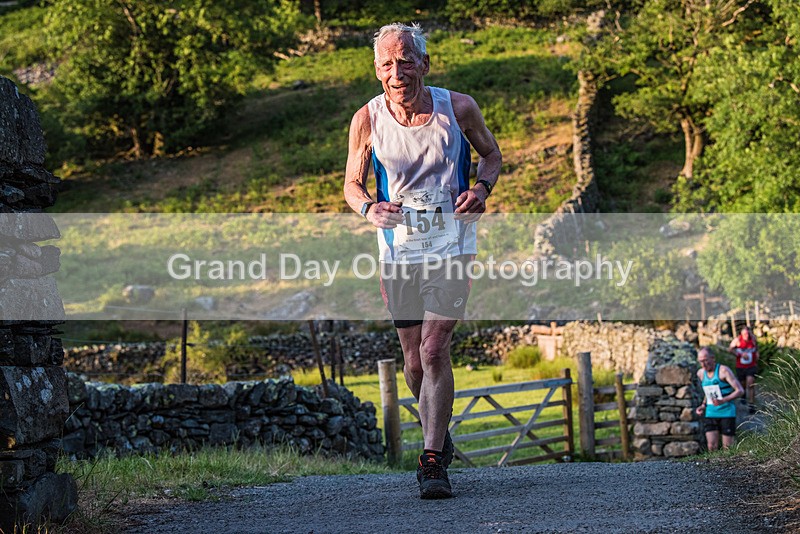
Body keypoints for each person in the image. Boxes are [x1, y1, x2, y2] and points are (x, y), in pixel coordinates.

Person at [343, 22, 501, 499]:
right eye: (387, 64)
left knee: (434, 350)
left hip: (453, 245)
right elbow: (352, 185)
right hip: (398, 252)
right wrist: (369, 209)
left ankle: (432, 461)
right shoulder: (367, 119)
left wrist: (481, 189)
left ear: (424, 64)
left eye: (405, 61)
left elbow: (491, 156)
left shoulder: (458, 108)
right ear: (377, 71)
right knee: (413, 361)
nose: (397, 72)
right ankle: (439, 429)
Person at [695, 347, 744, 451]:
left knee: (728, 448)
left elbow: (740, 390)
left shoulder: (723, 370)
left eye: (705, 360)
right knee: (711, 446)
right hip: (710, 413)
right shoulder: (700, 373)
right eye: (700, 361)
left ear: (713, 358)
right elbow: (708, 392)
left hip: (727, 413)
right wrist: (703, 405)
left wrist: (723, 400)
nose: (703, 364)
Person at [728, 326, 759, 413]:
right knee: (743, 383)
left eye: (747, 334)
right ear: (741, 334)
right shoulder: (737, 340)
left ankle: (751, 405)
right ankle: (743, 394)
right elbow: (730, 349)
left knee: (751, 384)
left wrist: (757, 356)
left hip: (751, 365)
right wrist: (740, 355)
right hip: (740, 366)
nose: (746, 335)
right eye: (744, 334)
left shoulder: (753, 339)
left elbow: (756, 348)